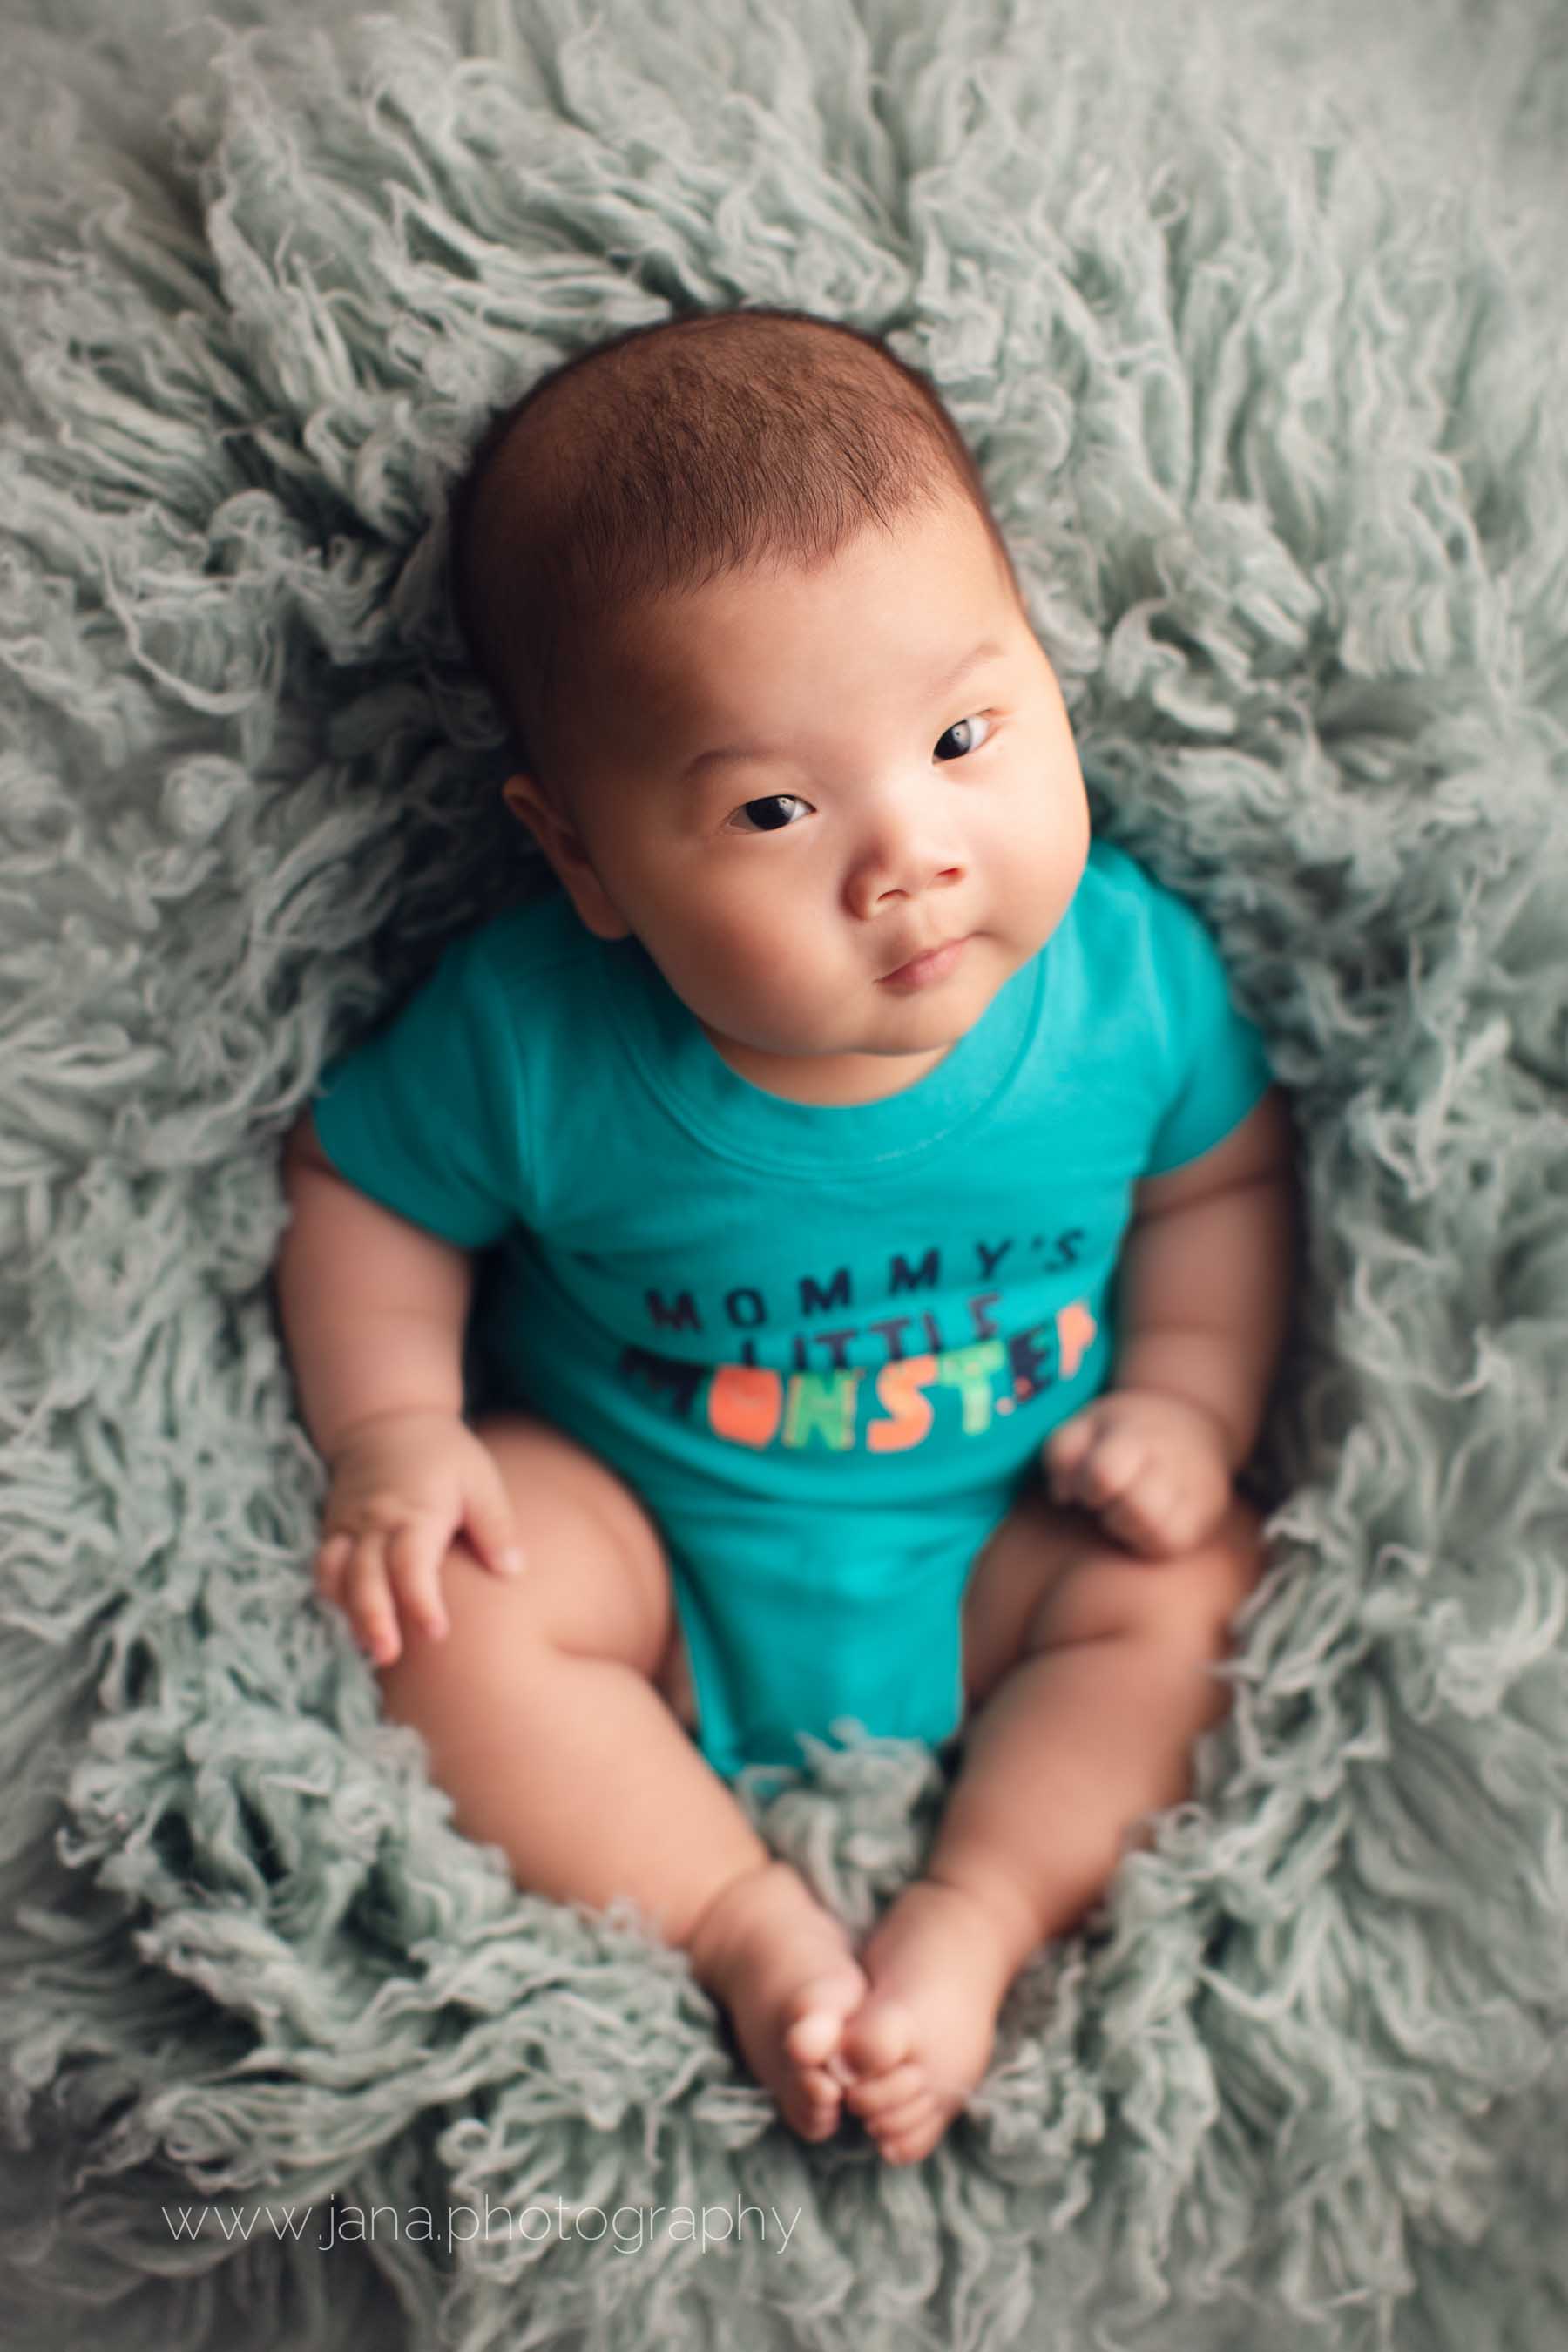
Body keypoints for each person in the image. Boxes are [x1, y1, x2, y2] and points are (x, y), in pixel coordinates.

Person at [272, 304, 1299, 2167]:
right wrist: (395, 1432)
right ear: (582, 857)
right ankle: (744, 1921)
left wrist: (1191, 1401)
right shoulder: (535, 1043)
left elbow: (1216, 1188)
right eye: (771, 805)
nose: (909, 851)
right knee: (441, 1610)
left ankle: (968, 1924)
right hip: (649, 1541)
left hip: (1010, 1530)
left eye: (969, 733)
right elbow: (365, 1198)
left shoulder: (1127, 980)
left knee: (1204, 1587)